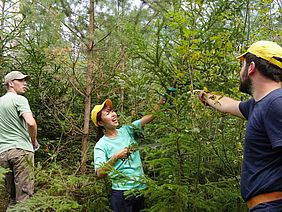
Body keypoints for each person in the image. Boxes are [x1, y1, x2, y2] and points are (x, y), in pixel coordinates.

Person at [198, 41, 282, 211]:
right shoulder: (259, 105)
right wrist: (206, 97)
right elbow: (231, 105)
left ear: (251, 67)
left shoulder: (276, 103)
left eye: (242, 65)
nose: (240, 71)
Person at [91, 98, 163, 212]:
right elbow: (99, 173)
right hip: (122, 194)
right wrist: (116, 157)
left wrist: (161, 101)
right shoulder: (101, 145)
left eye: (112, 111)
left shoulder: (127, 130)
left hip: (141, 189)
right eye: (108, 113)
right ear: (100, 123)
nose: (113, 114)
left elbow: (149, 117)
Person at [0, 71, 38, 207]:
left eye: (25, 80)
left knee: (12, 199)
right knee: (24, 199)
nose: (25, 83)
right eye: (21, 80)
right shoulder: (20, 100)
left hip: (3, 154)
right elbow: (31, 123)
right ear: (11, 83)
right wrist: (33, 141)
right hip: (22, 151)